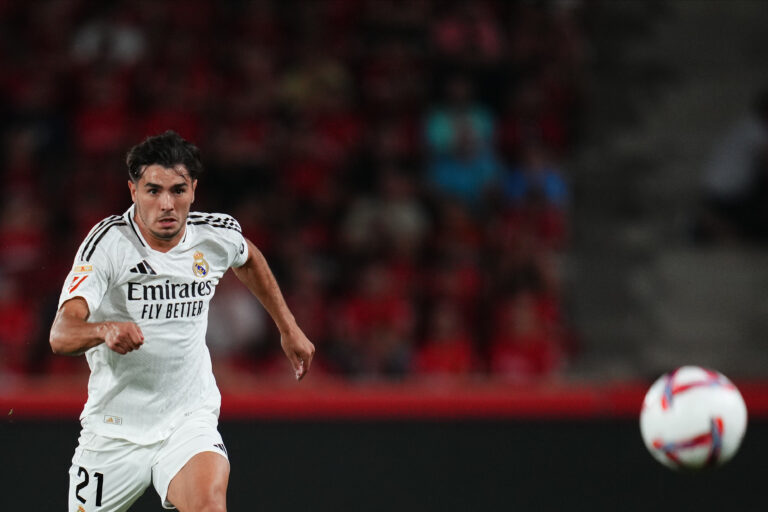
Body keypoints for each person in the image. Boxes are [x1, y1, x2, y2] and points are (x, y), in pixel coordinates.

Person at [49, 130, 315, 512]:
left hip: (187, 419)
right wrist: (103, 330)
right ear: (133, 191)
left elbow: (249, 257)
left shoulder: (213, 234)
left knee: (208, 504)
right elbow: (60, 334)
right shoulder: (108, 245)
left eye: (178, 190)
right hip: (114, 430)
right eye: (153, 190)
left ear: (193, 189)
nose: (167, 204)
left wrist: (288, 327)